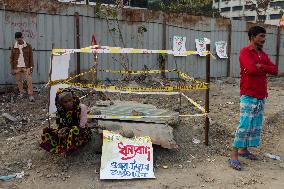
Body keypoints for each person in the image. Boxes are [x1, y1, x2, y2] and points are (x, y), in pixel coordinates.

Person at [228, 26, 278, 171]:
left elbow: (275, 70)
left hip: (261, 95)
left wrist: (261, 65)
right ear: (253, 37)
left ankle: (243, 150)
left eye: (264, 36)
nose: (264, 39)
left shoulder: (262, 55)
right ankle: (233, 156)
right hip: (249, 94)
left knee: (254, 125)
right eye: (261, 36)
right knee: (244, 125)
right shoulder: (245, 52)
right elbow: (251, 69)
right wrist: (264, 68)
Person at [40, 88, 92, 155]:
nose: (69, 103)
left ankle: (69, 150)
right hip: (65, 133)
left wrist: (67, 129)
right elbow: (60, 125)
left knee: (74, 131)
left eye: (70, 100)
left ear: (73, 98)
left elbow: (82, 126)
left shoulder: (81, 108)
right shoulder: (61, 111)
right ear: (61, 103)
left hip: (80, 133)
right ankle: (61, 147)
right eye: (65, 102)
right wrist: (59, 132)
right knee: (46, 131)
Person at [10, 32, 35, 102]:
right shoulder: (14, 47)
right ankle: (21, 92)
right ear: (16, 39)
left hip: (26, 66)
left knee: (29, 80)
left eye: (20, 38)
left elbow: (31, 57)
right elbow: (11, 58)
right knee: (18, 81)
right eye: (17, 39)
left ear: (22, 37)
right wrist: (12, 69)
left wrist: (31, 67)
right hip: (17, 67)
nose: (19, 40)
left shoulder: (28, 46)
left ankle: (30, 95)